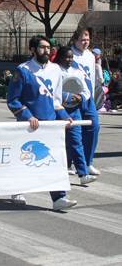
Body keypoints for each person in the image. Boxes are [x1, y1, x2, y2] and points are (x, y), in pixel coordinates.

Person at [7, 35, 76, 211]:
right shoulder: (23, 70)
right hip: (29, 124)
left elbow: (56, 100)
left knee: (53, 160)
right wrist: (28, 116)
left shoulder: (55, 70)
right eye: (42, 47)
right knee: (24, 158)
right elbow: (13, 100)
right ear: (33, 50)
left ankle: (59, 198)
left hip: (50, 123)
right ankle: (17, 189)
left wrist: (65, 116)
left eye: (48, 48)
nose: (47, 51)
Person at [53, 46, 97, 185]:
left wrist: (80, 98)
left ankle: (83, 173)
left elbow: (86, 91)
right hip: (58, 111)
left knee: (76, 142)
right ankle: (61, 168)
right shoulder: (54, 71)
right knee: (58, 142)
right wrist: (67, 97)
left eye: (71, 57)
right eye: (67, 57)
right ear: (59, 57)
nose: (70, 60)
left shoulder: (77, 72)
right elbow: (52, 91)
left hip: (74, 111)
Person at [71, 29, 101, 176]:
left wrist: (93, 97)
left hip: (88, 99)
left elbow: (93, 78)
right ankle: (69, 163)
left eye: (88, 39)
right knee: (73, 131)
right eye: (83, 39)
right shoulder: (68, 54)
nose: (86, 42)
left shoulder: (90, 56)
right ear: (75, 40)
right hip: (73, 99)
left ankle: (87, 162)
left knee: (94, 127)